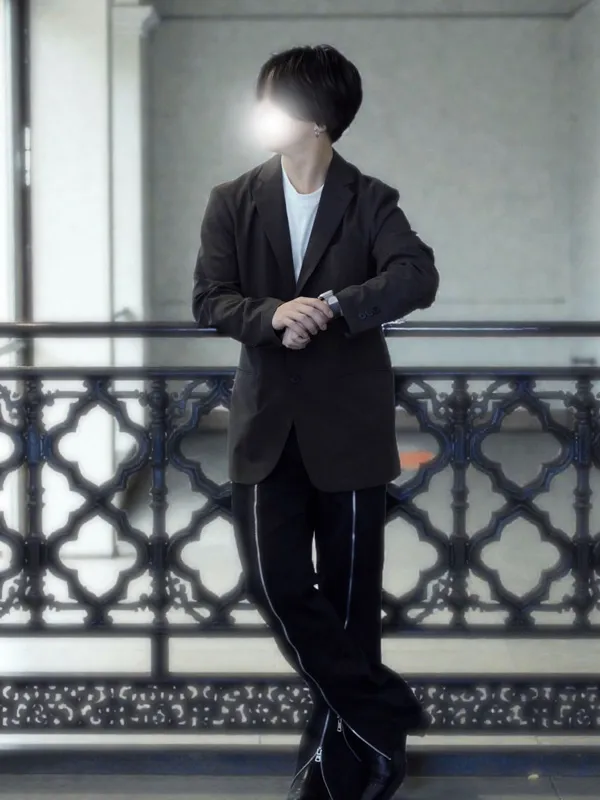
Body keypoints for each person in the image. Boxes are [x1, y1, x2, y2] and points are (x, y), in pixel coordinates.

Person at [192, 44, 439, 800]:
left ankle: (337, 770)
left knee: (350, 606)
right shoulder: (233, 199)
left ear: (319, 118)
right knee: (274, 584)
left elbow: (416, 276)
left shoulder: (371, 200)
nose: (263, 111)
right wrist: (272, 315)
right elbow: (210, 298)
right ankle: (384, 714)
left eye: (277, 99)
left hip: (350, 432)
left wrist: (331, 307)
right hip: (265, 429)